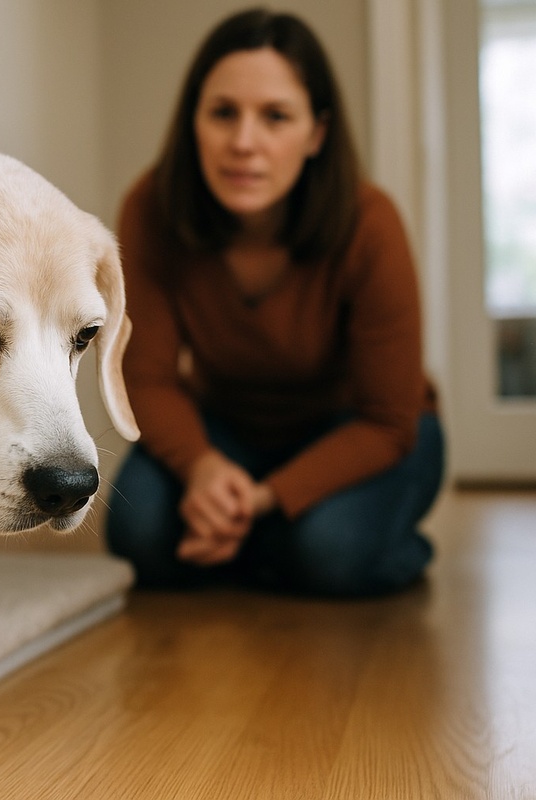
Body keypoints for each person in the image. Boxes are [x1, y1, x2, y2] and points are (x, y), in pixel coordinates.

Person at [105, 7, 444, 595]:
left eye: (276, 117)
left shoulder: (371, 223)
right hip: (229, 429)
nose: (243, 142)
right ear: (194, 123)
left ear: (316, 134)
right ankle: (270, 546)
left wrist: (259, 500)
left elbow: (388, 421)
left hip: (362, 433)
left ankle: (337, 544)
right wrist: (204, 470)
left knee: (327, 553)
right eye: (223, 113)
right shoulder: (151, 208)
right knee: (136, 535)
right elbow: (149, 379)